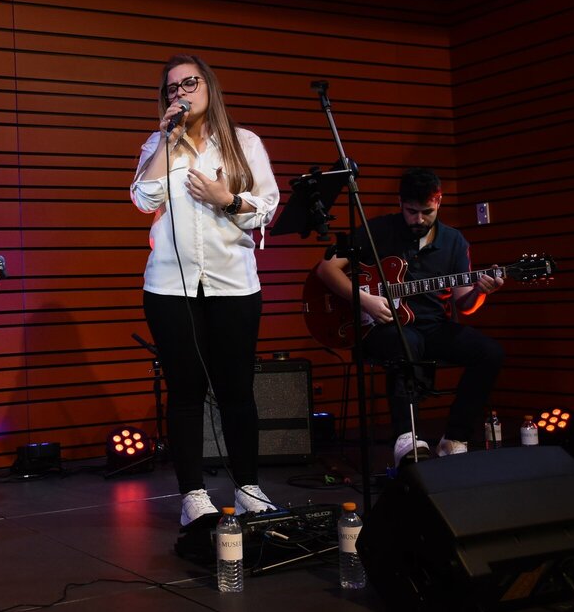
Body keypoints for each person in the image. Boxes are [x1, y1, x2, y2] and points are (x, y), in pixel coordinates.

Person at [130, 54, 281, 527]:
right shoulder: (158, 143)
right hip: (169, 288)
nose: (180, 93)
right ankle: (192, 494)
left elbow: (267, 207)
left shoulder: (243, 142)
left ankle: (248, 486)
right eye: (171, 88)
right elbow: (142, 199)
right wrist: (166, 141)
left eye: (189, 83)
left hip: (234, 284)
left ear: (209, 87)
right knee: (185, 392)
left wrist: (227, 200)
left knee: (237, 391)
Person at [316, 167, 505, 466]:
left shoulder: (454, 241)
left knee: (490, 353)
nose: (419, 220)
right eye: (411, 212)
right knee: (405, 342)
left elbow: (465, 304)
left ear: (438, 202)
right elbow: (326, 269)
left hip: (433, 326)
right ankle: (407, 437)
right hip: (382, 327)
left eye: (426, 212)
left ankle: (454, 438)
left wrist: (482, 292)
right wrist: (365, 300)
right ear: (400, 203)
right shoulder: (378, 230)